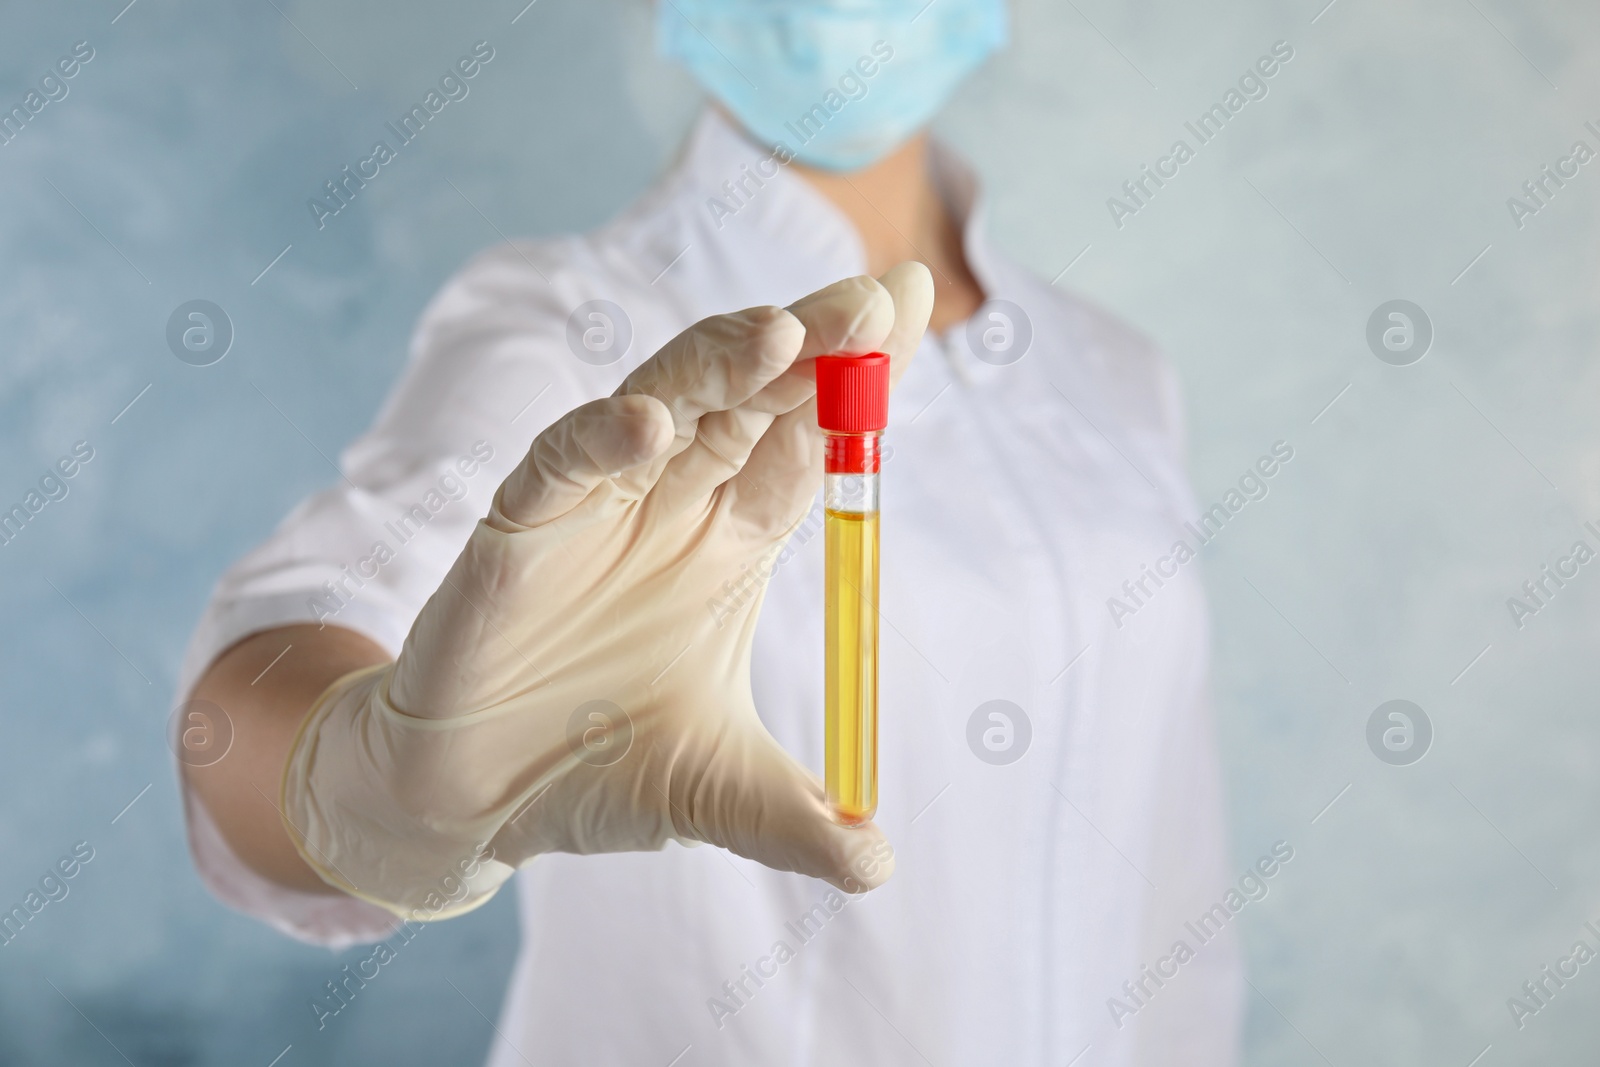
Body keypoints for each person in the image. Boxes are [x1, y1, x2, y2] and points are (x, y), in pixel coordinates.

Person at [177, 0, 1241, 1062]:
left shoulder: (1113, 372)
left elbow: (1173, 897)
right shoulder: (575, 326)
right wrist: (367, 783)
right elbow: (287, 643)